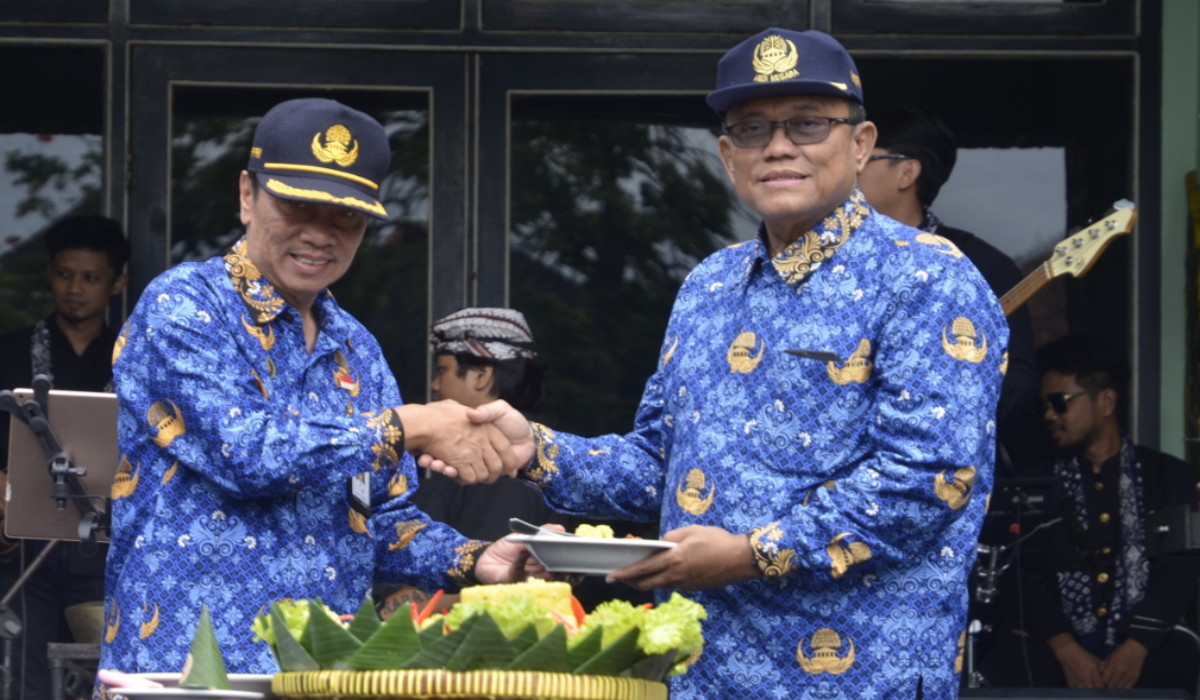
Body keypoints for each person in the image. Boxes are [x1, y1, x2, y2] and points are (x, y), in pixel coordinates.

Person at [473, 28, 1009, 697]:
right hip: (704, 670)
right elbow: (661, 469)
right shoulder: (709, 286)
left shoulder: (930, 280)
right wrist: (538, 452)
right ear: (728, 156)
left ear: (862, 142)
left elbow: (927, 479)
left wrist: (753, 556)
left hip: (863, 677)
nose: (778, 146)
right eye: (752, 129)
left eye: (808, 124)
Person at [97, 98, 538, 684]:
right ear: (248, 196)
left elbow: (379, 518)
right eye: (297, 205)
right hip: (187, 672)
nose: (320, 234)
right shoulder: (183, 306)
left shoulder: (356, 348)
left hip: (322, 676)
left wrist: (478, 558)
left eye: (346, 217)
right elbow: (248, 453)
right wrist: (411, 425)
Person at [979, 335, 1200, 693]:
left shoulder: (1166, 476)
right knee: (1005, 670)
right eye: (1043, 406)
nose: (1049, 415)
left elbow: (1179, 570)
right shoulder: (1034, 481)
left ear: (1106, 401)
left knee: (1179, 667)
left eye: (1059, 402)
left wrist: (1136, 646)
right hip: (1051, 647)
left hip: (1146, 646)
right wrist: (1065, 649)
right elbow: (1021, 575)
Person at [857, 106, 1046, 478]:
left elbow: (1018, 386)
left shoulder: (981, 266)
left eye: (863, 158)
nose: (848, 170)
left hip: (938, 480)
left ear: (907, 172)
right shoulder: (824, 261)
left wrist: (945, 394)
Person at [0, 214, 129, 700]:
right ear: (49, 275)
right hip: (22, 552)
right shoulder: (7, 352)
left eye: (91, 277)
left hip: (102, 552)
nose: (75, 288)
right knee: (23, 681)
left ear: (118, 282)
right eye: (64, 274)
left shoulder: (134, 359)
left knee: (108, 683)